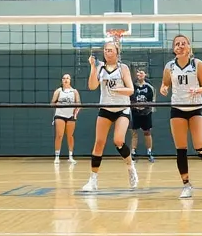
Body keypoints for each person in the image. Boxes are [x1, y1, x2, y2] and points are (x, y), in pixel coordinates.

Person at [160, 34, 202, 198]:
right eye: (177, 44)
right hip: (177, 108)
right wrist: (164, 88)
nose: (180, 46)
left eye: (183, 43)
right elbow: (165, 83)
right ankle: (186, 185)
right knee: (181, 149)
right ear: (174, 49)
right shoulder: (169, 66)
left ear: (189, 47)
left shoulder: (197, 64)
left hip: (196, 107)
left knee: (200, 147)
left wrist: (198, 90)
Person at [81, 39, 139, 192]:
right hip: (105, 108)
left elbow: (131, 90)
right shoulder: (100, 67)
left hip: (122, 109)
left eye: (111, 50)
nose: (107, 52)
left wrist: (119, 89)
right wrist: (93, 67)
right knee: (99, 142)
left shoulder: (123, 68)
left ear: (117, 52)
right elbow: (92, 86)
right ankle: (93, 180)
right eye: (106, 50)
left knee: (118, 140)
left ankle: (130, 167)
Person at [51, 74, 79, 163]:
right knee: (59, 135)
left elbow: (79, 104)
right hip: (60, 115)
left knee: (70, 136)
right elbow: (52, 103)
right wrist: (56, 104)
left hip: (70, 115)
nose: (66, 80)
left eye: (67, 78)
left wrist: (76, 112)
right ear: (62, 80)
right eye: (64, 78)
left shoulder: (74, 91)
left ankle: (70, 156)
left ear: (70, 80)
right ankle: (57, 156)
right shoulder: (58, 91)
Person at [130, 68, 156, 163]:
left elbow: (152, 101)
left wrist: (146, 110)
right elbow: (130, 99)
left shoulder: (149, 87)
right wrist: (135, 108)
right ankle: (133, 152)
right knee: (134, 132)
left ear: (145, 74)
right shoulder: (132, 86)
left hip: (146, 113)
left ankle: (149, 152)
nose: (139, 74)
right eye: (137, 72)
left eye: (141, 72)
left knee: (147, 132)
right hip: (135, 112)